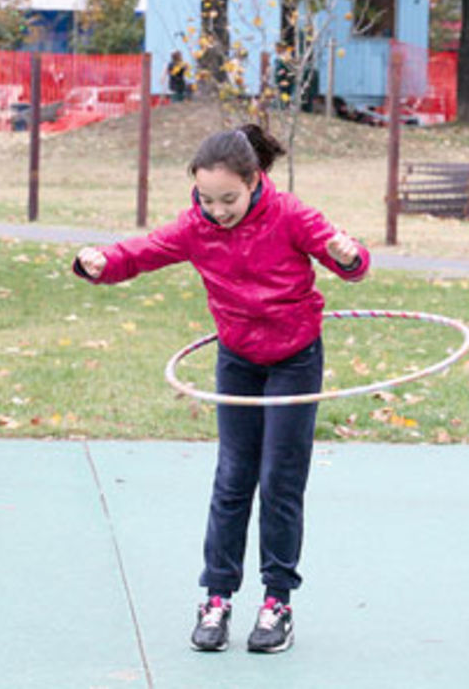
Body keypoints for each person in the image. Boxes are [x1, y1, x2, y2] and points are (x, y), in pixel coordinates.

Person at [72, 124, 370, 654]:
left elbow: (347, 260)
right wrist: (99, 263)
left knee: (280, 479)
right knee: (233, 478)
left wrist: (348, 256)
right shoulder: (196, 227)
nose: (217, 210)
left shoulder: (291, 215)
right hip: (237, 361)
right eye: (207, 200)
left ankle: (277, 602)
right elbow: (142, 252)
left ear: (255, 181)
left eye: (228, 199)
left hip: (294, 360)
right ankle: (217, 598)